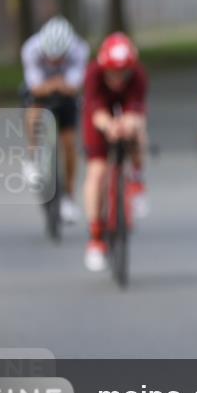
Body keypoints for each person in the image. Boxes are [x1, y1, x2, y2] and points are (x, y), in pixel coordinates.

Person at [81, 33, 149, 272]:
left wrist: (127, 125)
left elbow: (135, 112)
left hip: (126, 116)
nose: (118, 79)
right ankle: (96, 236)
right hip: (99, 118)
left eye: (124, 73)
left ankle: (138, 179)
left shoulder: (138, 76)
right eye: (113, 73)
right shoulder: (92, 75)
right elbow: (96, 112)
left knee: (138, 131)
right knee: (97, 172)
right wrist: (110, 126)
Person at [20, 16, 89, 223]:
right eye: (50, 57)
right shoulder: (31, 48)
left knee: (69, 145)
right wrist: (55, 84)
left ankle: (68, 198)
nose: (55, 61)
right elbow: (35, 86)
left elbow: (74, 85)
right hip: (42, 91)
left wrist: (61, 85)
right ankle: (33, 158)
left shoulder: (79, 49)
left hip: (66, 93)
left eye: (59, 58)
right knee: (33, 113)